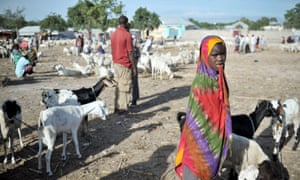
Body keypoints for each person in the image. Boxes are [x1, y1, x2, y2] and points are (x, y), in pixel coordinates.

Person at [175, 35, 232, 180]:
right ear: (206, 56)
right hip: (198, 145)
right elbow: (197, 121)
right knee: (196, 173)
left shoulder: (218, 77)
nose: (220, 58)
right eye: (215, 55)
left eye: (222, 53)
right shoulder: (201, 83)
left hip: (213, 141)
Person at [110, 15, 137, 115]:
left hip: (116, 63)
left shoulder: (113, 34)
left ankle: (116, 107)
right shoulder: (127, 35)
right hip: (125, 64)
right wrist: (134, 67)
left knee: (117, 85)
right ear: (126, 23)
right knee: (125, 86)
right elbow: (130, 52)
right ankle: (123, 109)